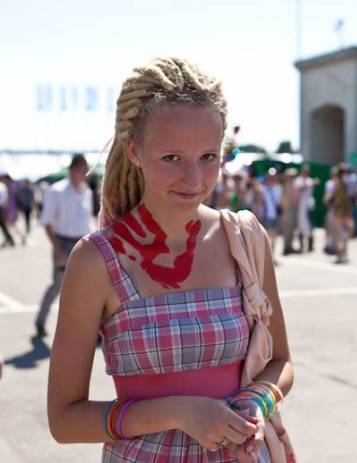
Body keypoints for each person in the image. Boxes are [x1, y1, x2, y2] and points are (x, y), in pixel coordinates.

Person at [47, 57, 295, 463]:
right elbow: (64, 419)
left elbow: (282, 361)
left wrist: (255, 401)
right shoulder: (97, 260)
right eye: (172, 158)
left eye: (209, 157)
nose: (195, 181)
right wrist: (180, 412)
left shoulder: (245, 239)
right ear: (134, 150)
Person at [35, 154, 94, 337]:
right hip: (63, 242)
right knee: (57, 285)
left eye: (86, 170)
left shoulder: (88, 192)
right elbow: (47, 222)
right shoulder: (57, 191)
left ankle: (91, 330)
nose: (84, 174)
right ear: (73, 169)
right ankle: (41, 321)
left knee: (89, 287)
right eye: (82, 170)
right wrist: (56, 248)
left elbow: (88, 219)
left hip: (84, 242)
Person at [329, 169, 354, 264]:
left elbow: (333, 198)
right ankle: (343, 253)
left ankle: (341, 253)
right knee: (343, 233)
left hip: (339, 211)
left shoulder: (338, 185)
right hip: (342, 211)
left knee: (340, 233)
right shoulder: (343, 185)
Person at [294, 164, 317, 253]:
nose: (305, 173)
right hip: (301, 207)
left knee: (310, 225)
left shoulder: (309, 180)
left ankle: (310, 245)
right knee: (301, 226)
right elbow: (299, 190)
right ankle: (301, 245)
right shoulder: (299, 181)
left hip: (309, 206)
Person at [0, 175, 16, 247]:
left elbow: (3, 199)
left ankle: (10, 239)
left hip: (2, 208)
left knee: (6, 225)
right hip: (3, 207)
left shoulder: (2, 186)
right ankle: (9, 239)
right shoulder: (4, 186)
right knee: (4, 225)